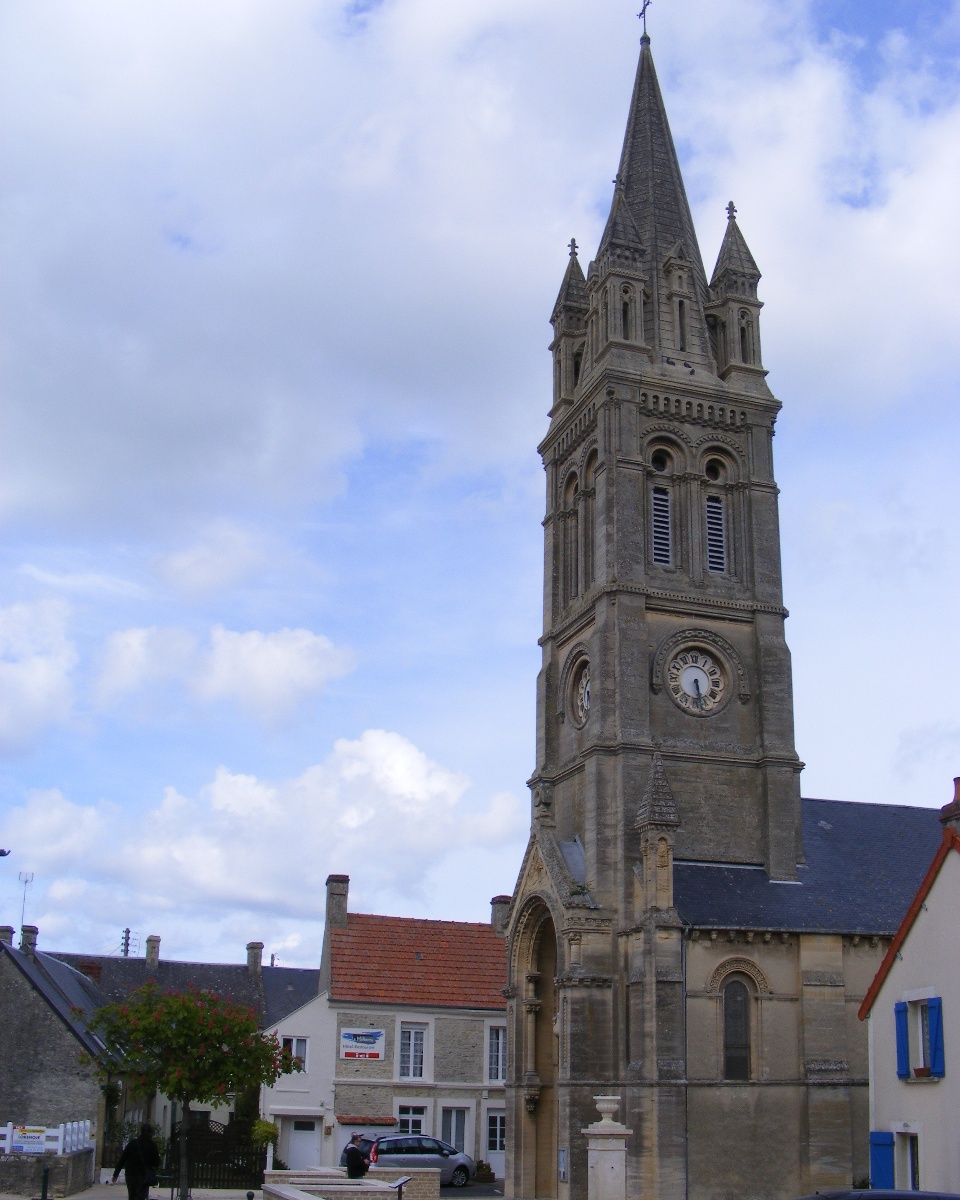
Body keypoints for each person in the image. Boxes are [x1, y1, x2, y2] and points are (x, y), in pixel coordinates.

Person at [112, 1123, 161, 1200]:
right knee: (141, 1196)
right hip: (143, 1176)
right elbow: (156, 1163)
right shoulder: (152, 1145)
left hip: (130, 1175)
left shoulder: (133, 1143)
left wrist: (116, 1174)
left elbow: (123, 1158)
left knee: (132, 1196)